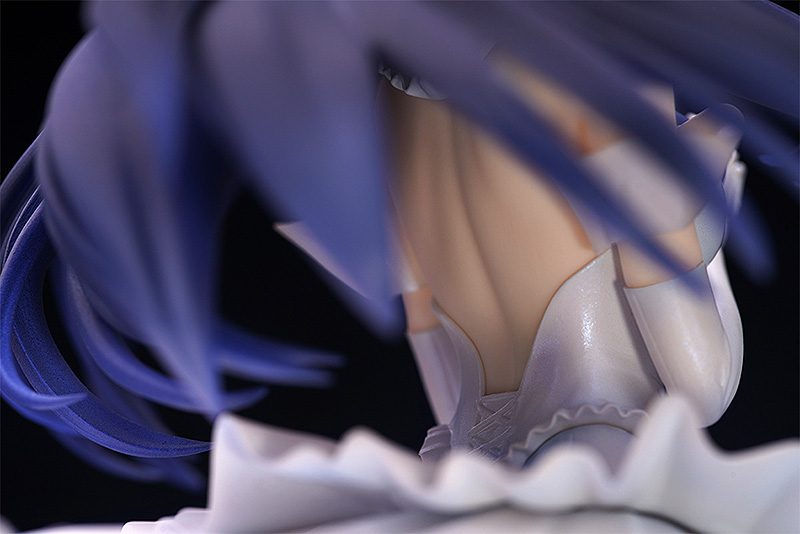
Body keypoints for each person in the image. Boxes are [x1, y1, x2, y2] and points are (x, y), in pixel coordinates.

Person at [1, 1, 798, 532]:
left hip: (466, 448)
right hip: (597, 446)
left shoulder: (397, 110)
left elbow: (441, 363)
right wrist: (686, 232)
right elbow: (696, 384)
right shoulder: (589, 69)